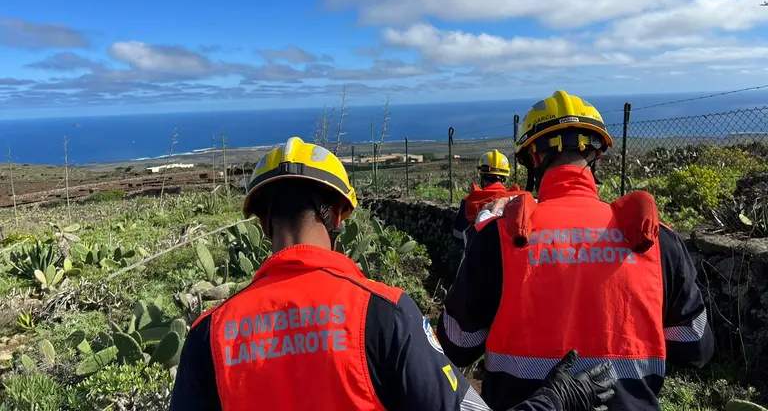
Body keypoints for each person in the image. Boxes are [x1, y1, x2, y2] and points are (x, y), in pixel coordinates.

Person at [169, 136, 616, 411]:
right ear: (339, 216)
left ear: (262, 223)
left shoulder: (208, 334)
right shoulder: (383, 312)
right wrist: (555, 401)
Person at [437, 91, 714, 411]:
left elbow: (456, 345)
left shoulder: (497, 237)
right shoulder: (656, 240)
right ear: (598, 155)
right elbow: (696, 347)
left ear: (534, 158)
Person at [453, 149, 518, 245]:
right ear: (504, 177)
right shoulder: (515, 199)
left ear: (482, 175)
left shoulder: (469, 201)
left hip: (476, 255)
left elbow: (457, 236)